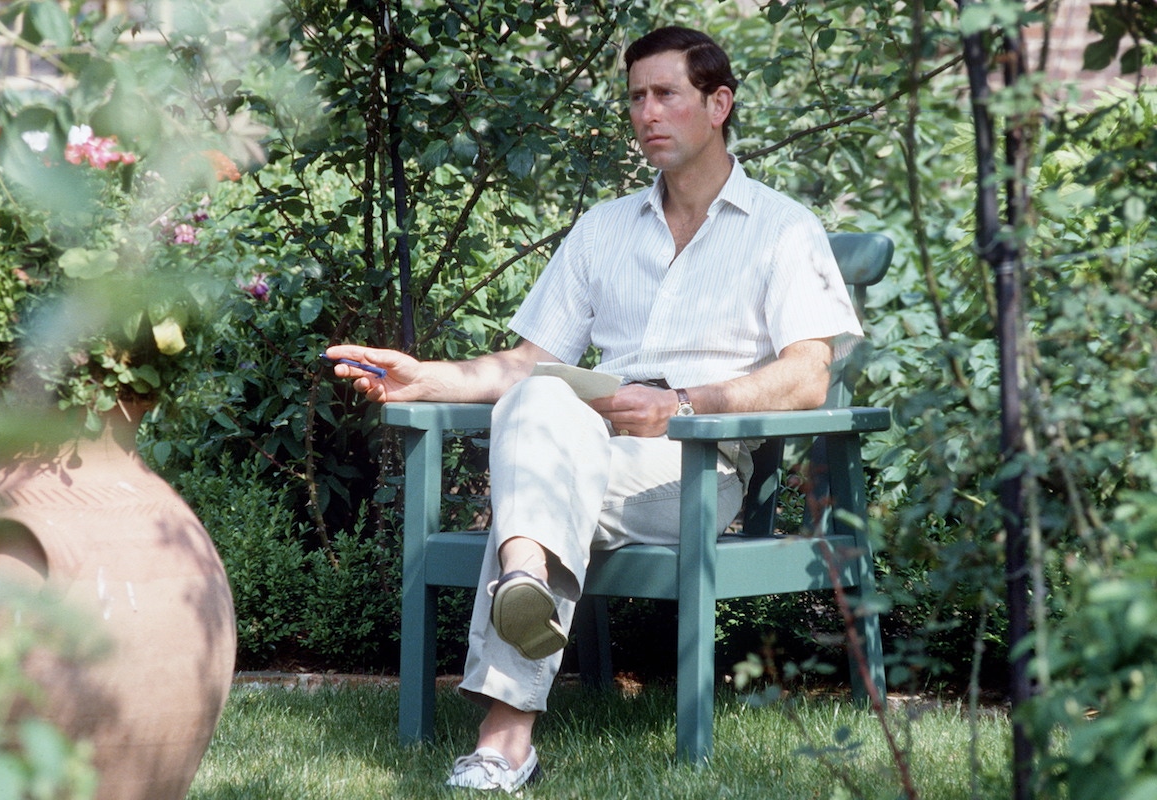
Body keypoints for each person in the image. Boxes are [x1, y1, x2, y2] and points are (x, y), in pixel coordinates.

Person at [326, 25, 864, 792]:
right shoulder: (603, 229)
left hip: (692, 468)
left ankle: (509, 696)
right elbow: (525, 364)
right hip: (580, 448)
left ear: (718, 104)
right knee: (541, 396)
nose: (648, 113)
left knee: (536, 459)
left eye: (666, 95)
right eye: (637, 97)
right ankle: (519, 631)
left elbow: (808, 375)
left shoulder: (783, 230)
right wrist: (422, 378)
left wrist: (682, 401)